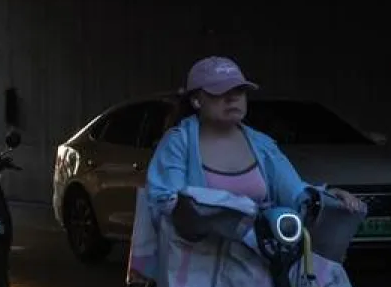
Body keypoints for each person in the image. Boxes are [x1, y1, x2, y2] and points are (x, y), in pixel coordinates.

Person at [146, 56, 366, 219]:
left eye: (240, 91)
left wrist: (326, 196)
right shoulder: (178, 143)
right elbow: (165, 203)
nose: (233, 98)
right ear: (196, 100)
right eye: (219, 91)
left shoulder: (262, 144)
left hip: (256, 268)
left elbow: (295, 193)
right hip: (196, 272)